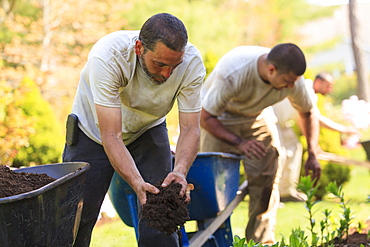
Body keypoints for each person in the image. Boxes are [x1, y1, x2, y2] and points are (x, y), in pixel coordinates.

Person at [62, 13, 206, 247]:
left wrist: (179, 171)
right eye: (159, 64)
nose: (167, 74)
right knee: (77, 218)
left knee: (161, 211)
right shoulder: (108, 56)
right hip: (93, 133)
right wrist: (137, 182)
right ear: (139, 47)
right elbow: (111, 135)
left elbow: (190, 127)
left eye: (174, 66)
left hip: (148, 129)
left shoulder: (191, 63)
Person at [199, 43, 321, 245]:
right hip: (218, 118)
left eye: (294, 82)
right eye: (287, 82)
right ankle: (213, 240)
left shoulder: (293, 80)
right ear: (271, 70)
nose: (291, 87)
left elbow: (307, 112)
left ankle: (260, 241)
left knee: (266, 181)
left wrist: (313, 153)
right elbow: (206, 118)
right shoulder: (234, 72)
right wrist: (240, 143)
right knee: (212, 186)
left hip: (256, 117)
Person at [271, 72, 359, 202]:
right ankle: (272, 195)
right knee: (278, 155)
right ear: (318, 82)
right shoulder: (306, 90)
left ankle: (286, 191)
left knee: (294, 147)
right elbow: (312, 119)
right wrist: (314, 146)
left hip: (283, 123)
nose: (330, 90)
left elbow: (309, 118)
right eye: (328, 86)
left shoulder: (307, 91)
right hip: (272, 120)